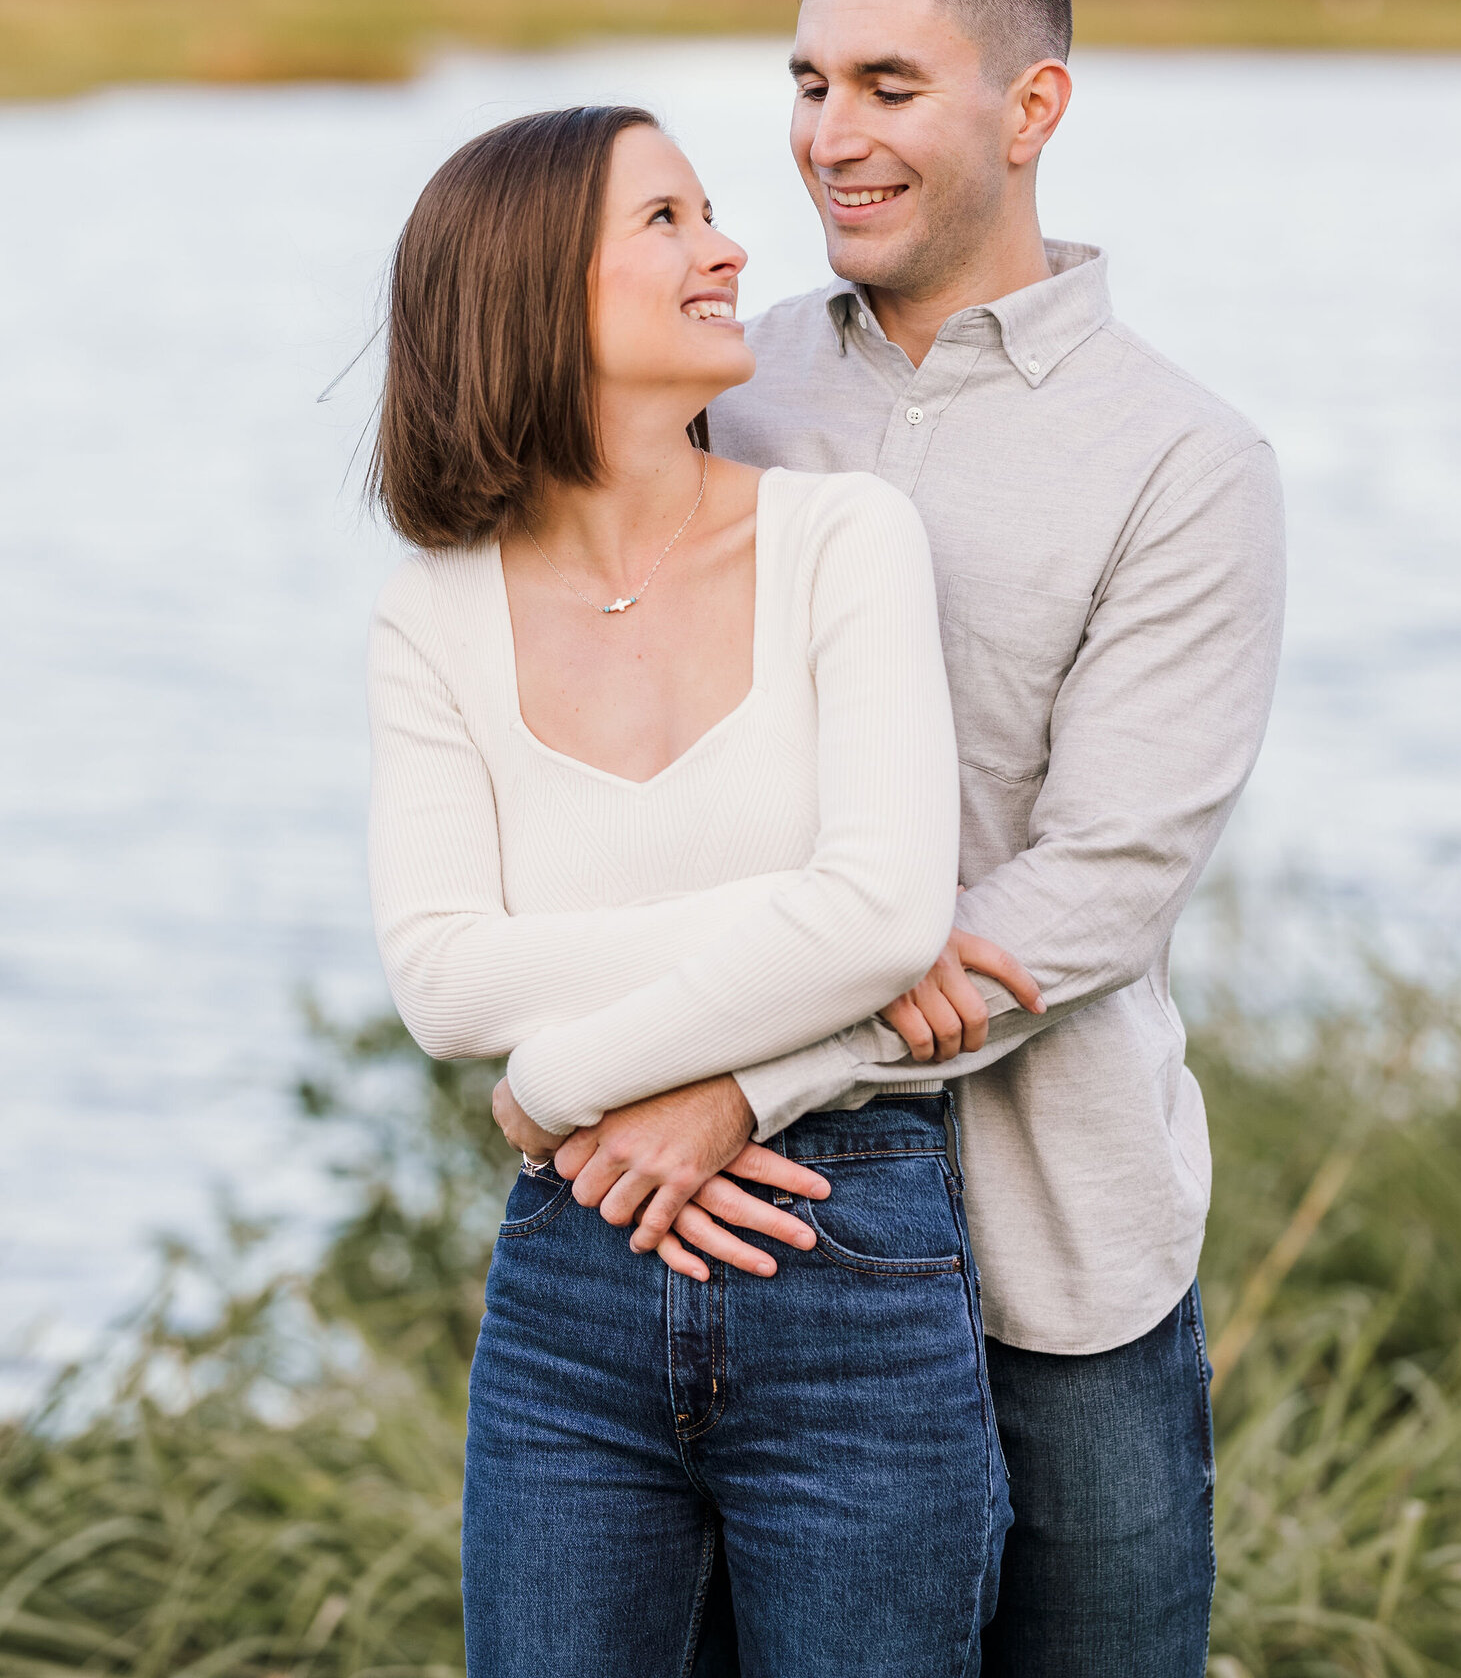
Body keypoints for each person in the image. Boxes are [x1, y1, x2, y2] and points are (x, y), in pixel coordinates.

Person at [495, 0, 1288, 1675]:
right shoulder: (720, 377)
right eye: (805, 82)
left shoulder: (1185, 464)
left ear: (1033, 109)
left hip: (1049, 1258)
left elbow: (1095, 887)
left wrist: (740, 1082)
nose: (827, 139)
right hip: (746, 1263)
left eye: (886, 85)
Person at [364, 103, 1029, 1678]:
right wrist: (812, 930)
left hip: (845, 1251)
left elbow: (879, 912)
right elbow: (445, 980)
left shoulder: (842, 540)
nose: (731, 247)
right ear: (531, 290)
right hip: (570, 1297)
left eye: (713, 212)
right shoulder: (432, 615)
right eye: (664, 221)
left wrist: (559, 1083)